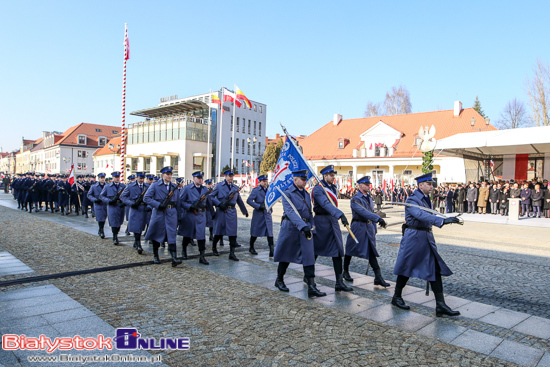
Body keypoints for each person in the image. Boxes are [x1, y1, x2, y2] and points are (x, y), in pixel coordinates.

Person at [391, 172, 461, 317]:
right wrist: (442, 221)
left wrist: (444, 219)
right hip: (414, 238)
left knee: (434, 269)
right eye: (429, 184)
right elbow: (420, 215)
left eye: (432, 184)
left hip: (426, 237)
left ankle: (440, 305)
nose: (432, 187)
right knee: (406, 267)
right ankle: (396, 297)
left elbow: (429, 215)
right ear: (420, 185)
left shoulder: (425, 199)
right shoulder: (412, 199)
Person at [273, 169, 326, 298]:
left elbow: (309, 212)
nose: (304, 182)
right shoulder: (287, 194)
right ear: (294, 179)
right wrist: (303, 226)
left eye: (305, 179)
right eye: (302, 179)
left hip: (306, 229)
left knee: (309, 257)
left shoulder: (306, 194)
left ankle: (311, 286)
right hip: (290, 228)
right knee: (286, 255)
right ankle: (279, 279)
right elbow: (290, 212)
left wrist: (312, 226)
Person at [311, 165, 353, 292]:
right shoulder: (318, 189)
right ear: (325, 176)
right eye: (331, 175)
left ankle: (339, 282)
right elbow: (325, 204)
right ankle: (309, 277)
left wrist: (337, 215)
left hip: (332, 221)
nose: (333, 177)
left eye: (334, 175)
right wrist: (340, 214)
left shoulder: (333, 188)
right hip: (322, 222)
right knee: (315, 252)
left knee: (338, 251)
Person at [343, 176, 388, 286]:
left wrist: (374, 228)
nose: (369, 187)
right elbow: (363, 212)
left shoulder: (368, 197)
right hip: (358, 227)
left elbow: (371, 211)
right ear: (360, 186)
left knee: (371, 251)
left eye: (369, 185)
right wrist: (378, 219)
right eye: (367, 185)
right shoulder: (355, 199)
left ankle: (378, 277)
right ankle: (345, 271)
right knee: (350, 249)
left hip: (368, 227)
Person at [144, 166, 182, 266]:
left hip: (171, 213)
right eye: (167, 174)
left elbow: (178, 203)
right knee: (157, 233)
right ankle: (156, 256)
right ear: (162, 175)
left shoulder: (174, 187)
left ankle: (174, 258)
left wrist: (179, 216)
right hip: (159, 213)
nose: (169, 176)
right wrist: (157, 205)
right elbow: (146, 198)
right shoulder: (155, 185)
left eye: (170, 174)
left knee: (172, 235)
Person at [209, 169, 249, 261]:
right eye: (229, 176)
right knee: (218, 232)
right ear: (225, 176)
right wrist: (219, 204)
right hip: (221, 211)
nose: (231, 177)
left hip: (231, 212)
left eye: (232, 176)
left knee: (232, 233)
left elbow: (239, 200)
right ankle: (214, 247)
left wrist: (244, 211)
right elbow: (211, 197)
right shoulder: (219, 186)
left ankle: (232, 253)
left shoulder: (235, 187)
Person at [178, 171, 210, 265]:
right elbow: (181, 202)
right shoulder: (187, 188)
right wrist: (190, 206)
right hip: (190, 215)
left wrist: (212, 213)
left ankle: (202, 256)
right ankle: (184, 250)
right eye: (198, 178)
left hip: (201, 215)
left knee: (201, 236)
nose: (200, 180)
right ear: (193, 179)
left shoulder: (205, 189)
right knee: (187, 235)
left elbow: (209, 202)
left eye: (201, 178)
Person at [120, 172, 149, 254]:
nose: (142, 180)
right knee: (136, 227)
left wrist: (149, 206)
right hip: (135, 208)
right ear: (137, 177)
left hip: (144, 208)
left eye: (143, 178)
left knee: (142, 227)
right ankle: (138, 244)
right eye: (140, 178)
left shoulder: (147, 186)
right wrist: (131, 203)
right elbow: (123, 197)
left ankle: (136, 241)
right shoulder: (130, 186)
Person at [246, 175, 274, 256]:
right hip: (258, 213)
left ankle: (271, 250)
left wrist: (271, 209)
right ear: (260, 182)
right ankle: (251, 247)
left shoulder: (269, 190)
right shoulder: (256, 190)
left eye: (266, 181)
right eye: (263, 181)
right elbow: (249, 200)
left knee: (270, 232)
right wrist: (258, 206)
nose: (265, 182)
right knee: (255, 231)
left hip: (267, 213)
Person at [100, 172, 126, 245]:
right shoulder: (107, 187)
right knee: (113, 221)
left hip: (120, 206)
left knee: (120, 221)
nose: (117, 178)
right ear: (113, 178)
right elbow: (101, 196)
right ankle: (115, 236)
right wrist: (109, 201)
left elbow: (127, 196)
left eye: (118, 177)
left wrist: (124, 202)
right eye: (116, 177)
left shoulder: (123, 186)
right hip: (112, 206)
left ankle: (116, 233)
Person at [88, 173, 108, 238]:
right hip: (98, 204)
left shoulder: (107, 186)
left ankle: (101, 229)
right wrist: (94, 199)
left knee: (104, 218)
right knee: (100, 218)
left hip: (106, 204)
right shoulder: (94, 186)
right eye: (101, 178)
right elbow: (89, 195)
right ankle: (101, 230)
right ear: (98, 178)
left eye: (103, 178)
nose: (102, 179)